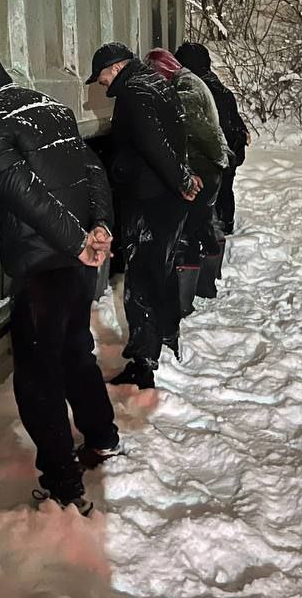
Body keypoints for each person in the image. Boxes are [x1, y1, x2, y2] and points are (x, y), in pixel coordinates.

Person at [0, 34, 120, 515]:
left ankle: (63, 485)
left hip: (43, 267)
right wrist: (98, 226)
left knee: (37, 377)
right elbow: (93, 169)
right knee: (75, 349)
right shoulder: (48, 106)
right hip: (75, 261)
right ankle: (102, 436)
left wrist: (75, 240)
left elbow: (12, 185)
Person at [86, 42, 199, 389]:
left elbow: (154, 144)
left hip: (148, 200)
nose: (101, 83)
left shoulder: (133, 93)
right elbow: (176, 138)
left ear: (115, 68)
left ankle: (143, 363)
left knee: (140, 281)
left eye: (101, 76)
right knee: (160, 271)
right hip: (164, 200)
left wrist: (179, 179)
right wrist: (182, 176)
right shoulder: (156, 83)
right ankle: (166, 337)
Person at [145, 49, 229, 314]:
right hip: (208, 166)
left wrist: (217, 157)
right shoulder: (191, 81)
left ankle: (183, 302)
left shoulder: (186, 87)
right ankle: (206, 285)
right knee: (202, 225)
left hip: (201, 167)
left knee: (188, 231)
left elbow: (197, 127)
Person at [174, 42, 250, 235]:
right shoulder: (218, 86)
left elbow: (203, 127)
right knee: (225, 190)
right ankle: (226, 223)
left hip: (215, 153)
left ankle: (219, 229)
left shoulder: (194, 88)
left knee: (212, 196)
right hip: (231, 147)